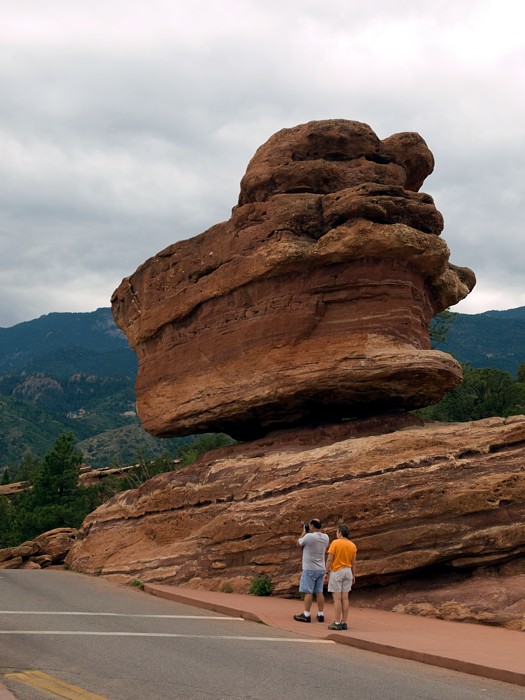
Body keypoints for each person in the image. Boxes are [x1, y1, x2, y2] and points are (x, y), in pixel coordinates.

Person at [293, 518, 329, 623]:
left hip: (309, 569)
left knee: (308, 592)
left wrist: (304, 532)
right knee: (319, 592)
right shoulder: (326, 537)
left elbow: (298, 543)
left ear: (312, 526)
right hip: (321, 569)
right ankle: (320, 614)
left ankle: (306, 614)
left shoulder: (309, 537)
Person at [324, 523, 357, 630]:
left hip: (337, 571)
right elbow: (354, 563)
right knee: (345, 598)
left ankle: (337, 622)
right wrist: (354, 575)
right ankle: (344, 621)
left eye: (337, 532)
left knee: (337, 599)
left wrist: (326, 572)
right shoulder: (352, 545)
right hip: (348, 571)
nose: (336, 533)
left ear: (340, 533)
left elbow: (330, 558)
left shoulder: (335, 543)